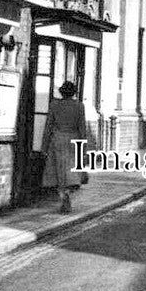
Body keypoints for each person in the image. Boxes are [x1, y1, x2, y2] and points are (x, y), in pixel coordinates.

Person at [40, 81, 89, 213]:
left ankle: (63, 195)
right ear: (73, 92)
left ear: (61, 92)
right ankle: (67, 193)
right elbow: (82, 128)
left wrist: (44, 147)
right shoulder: (79, 106)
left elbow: (48, 126)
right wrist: (83, 148)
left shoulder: (54, 105)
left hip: (57, 140)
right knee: (71, 171)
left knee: (58, 171)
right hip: (73, 140)